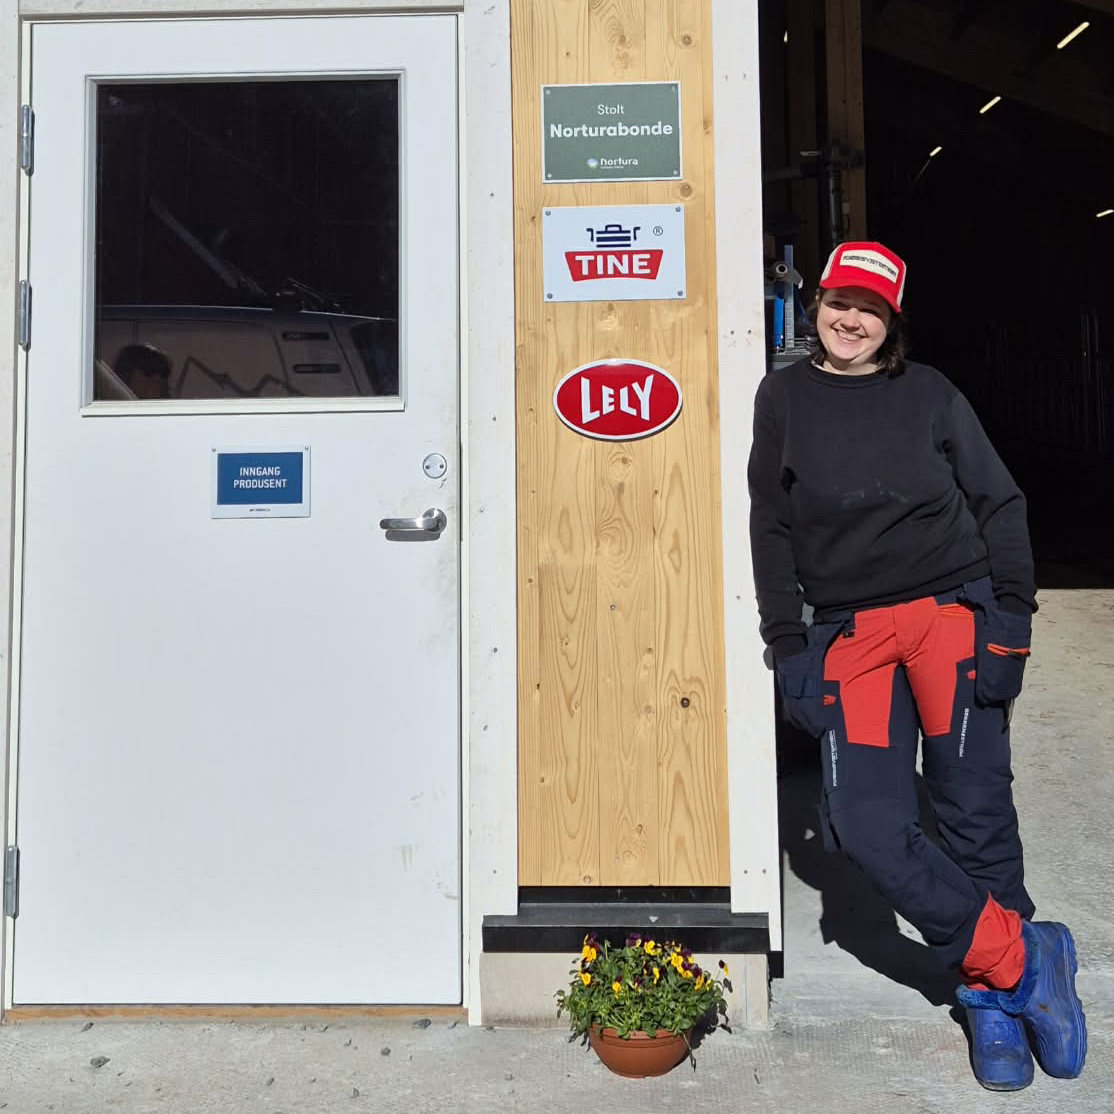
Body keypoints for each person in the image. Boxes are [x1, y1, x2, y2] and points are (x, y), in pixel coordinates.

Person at [747, 241, 1086, 1091]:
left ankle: (988, 1002)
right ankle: (1021, 959)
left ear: (890, 321)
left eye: (868, 308)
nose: (848, 319)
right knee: (865, 822)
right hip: (848, 633)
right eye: (836, 302)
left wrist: (1011, 622)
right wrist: (786, 643)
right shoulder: (783, 396)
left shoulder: (930, 393)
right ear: (815, 305)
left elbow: (998, 502)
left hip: (950, 615)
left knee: (974, 802)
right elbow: (770, 525)